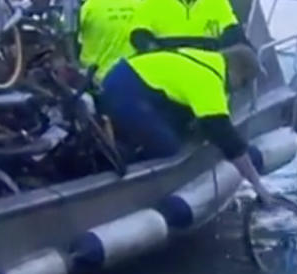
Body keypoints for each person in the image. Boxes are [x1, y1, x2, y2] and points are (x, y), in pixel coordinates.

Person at [99, 44, 273, 203]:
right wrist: (258, 185)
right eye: (244, 83)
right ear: (236, 71)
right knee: (167, 146)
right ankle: (113, 160)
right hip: (124, 89)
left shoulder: (208, 60)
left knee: (178, 128)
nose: (240, 89)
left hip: (133, 81)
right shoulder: (208, 81)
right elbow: (227, 138)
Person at [74, 0, 141, 82]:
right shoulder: (136, 1)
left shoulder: (86, 4)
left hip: (97, 80)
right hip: (133, 77)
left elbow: (68, 34)